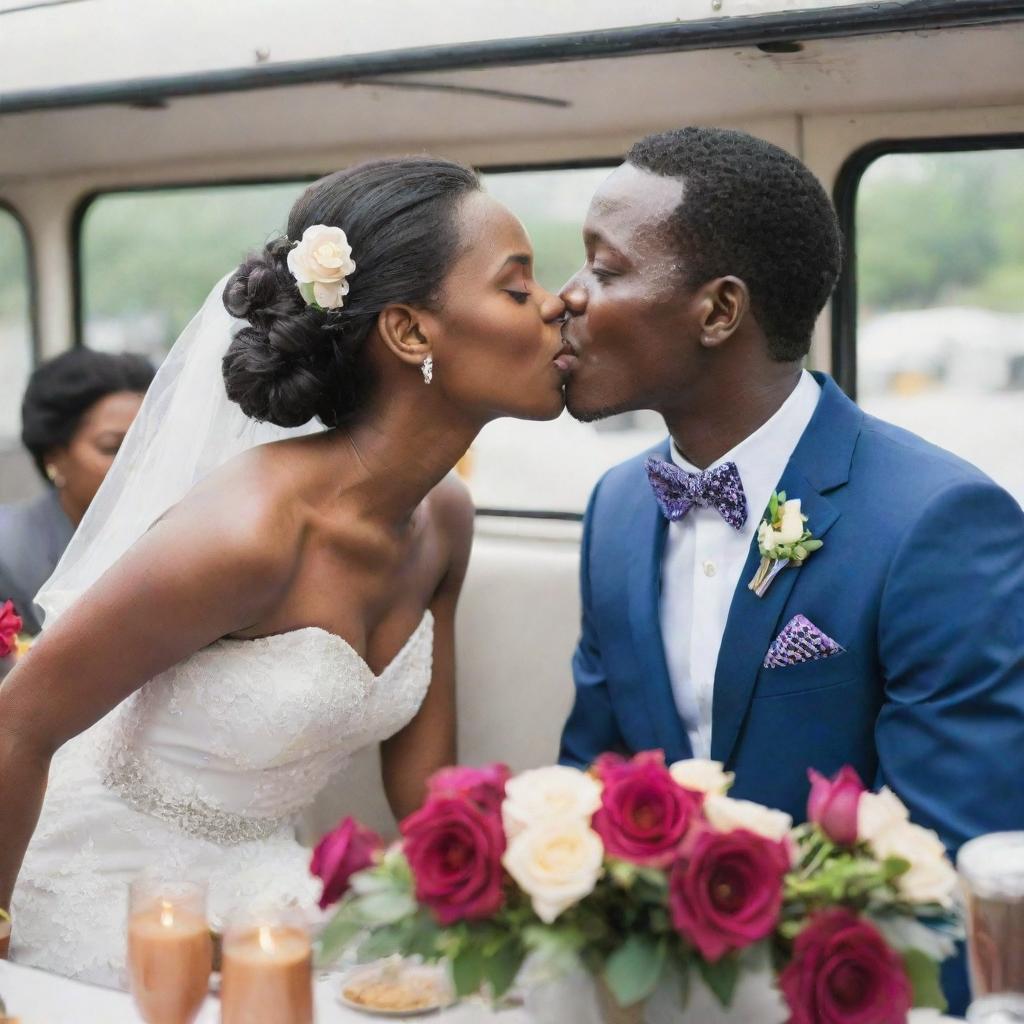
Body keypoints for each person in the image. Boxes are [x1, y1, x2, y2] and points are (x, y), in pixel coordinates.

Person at [0, 156, 569, 987]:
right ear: (411, 333)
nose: (556, 304)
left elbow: (426, 784)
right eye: (518, 290)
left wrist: (509, 923)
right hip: (100, 894)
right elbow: (19, 721)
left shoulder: (445, 519)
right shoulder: (249, 532)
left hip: (268, 893)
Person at [557, 127, 1024, 1013]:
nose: (564, 300)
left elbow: (950, 878)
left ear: (718, 311)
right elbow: (591, 781)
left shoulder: (937, 522)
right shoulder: (616, 509)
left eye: (605, 270)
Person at [0, 348, 154, 635]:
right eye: (113, 448)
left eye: (148, 445)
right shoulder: (9, 552)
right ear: (54, 456)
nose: (137, 463)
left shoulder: (175, 533)